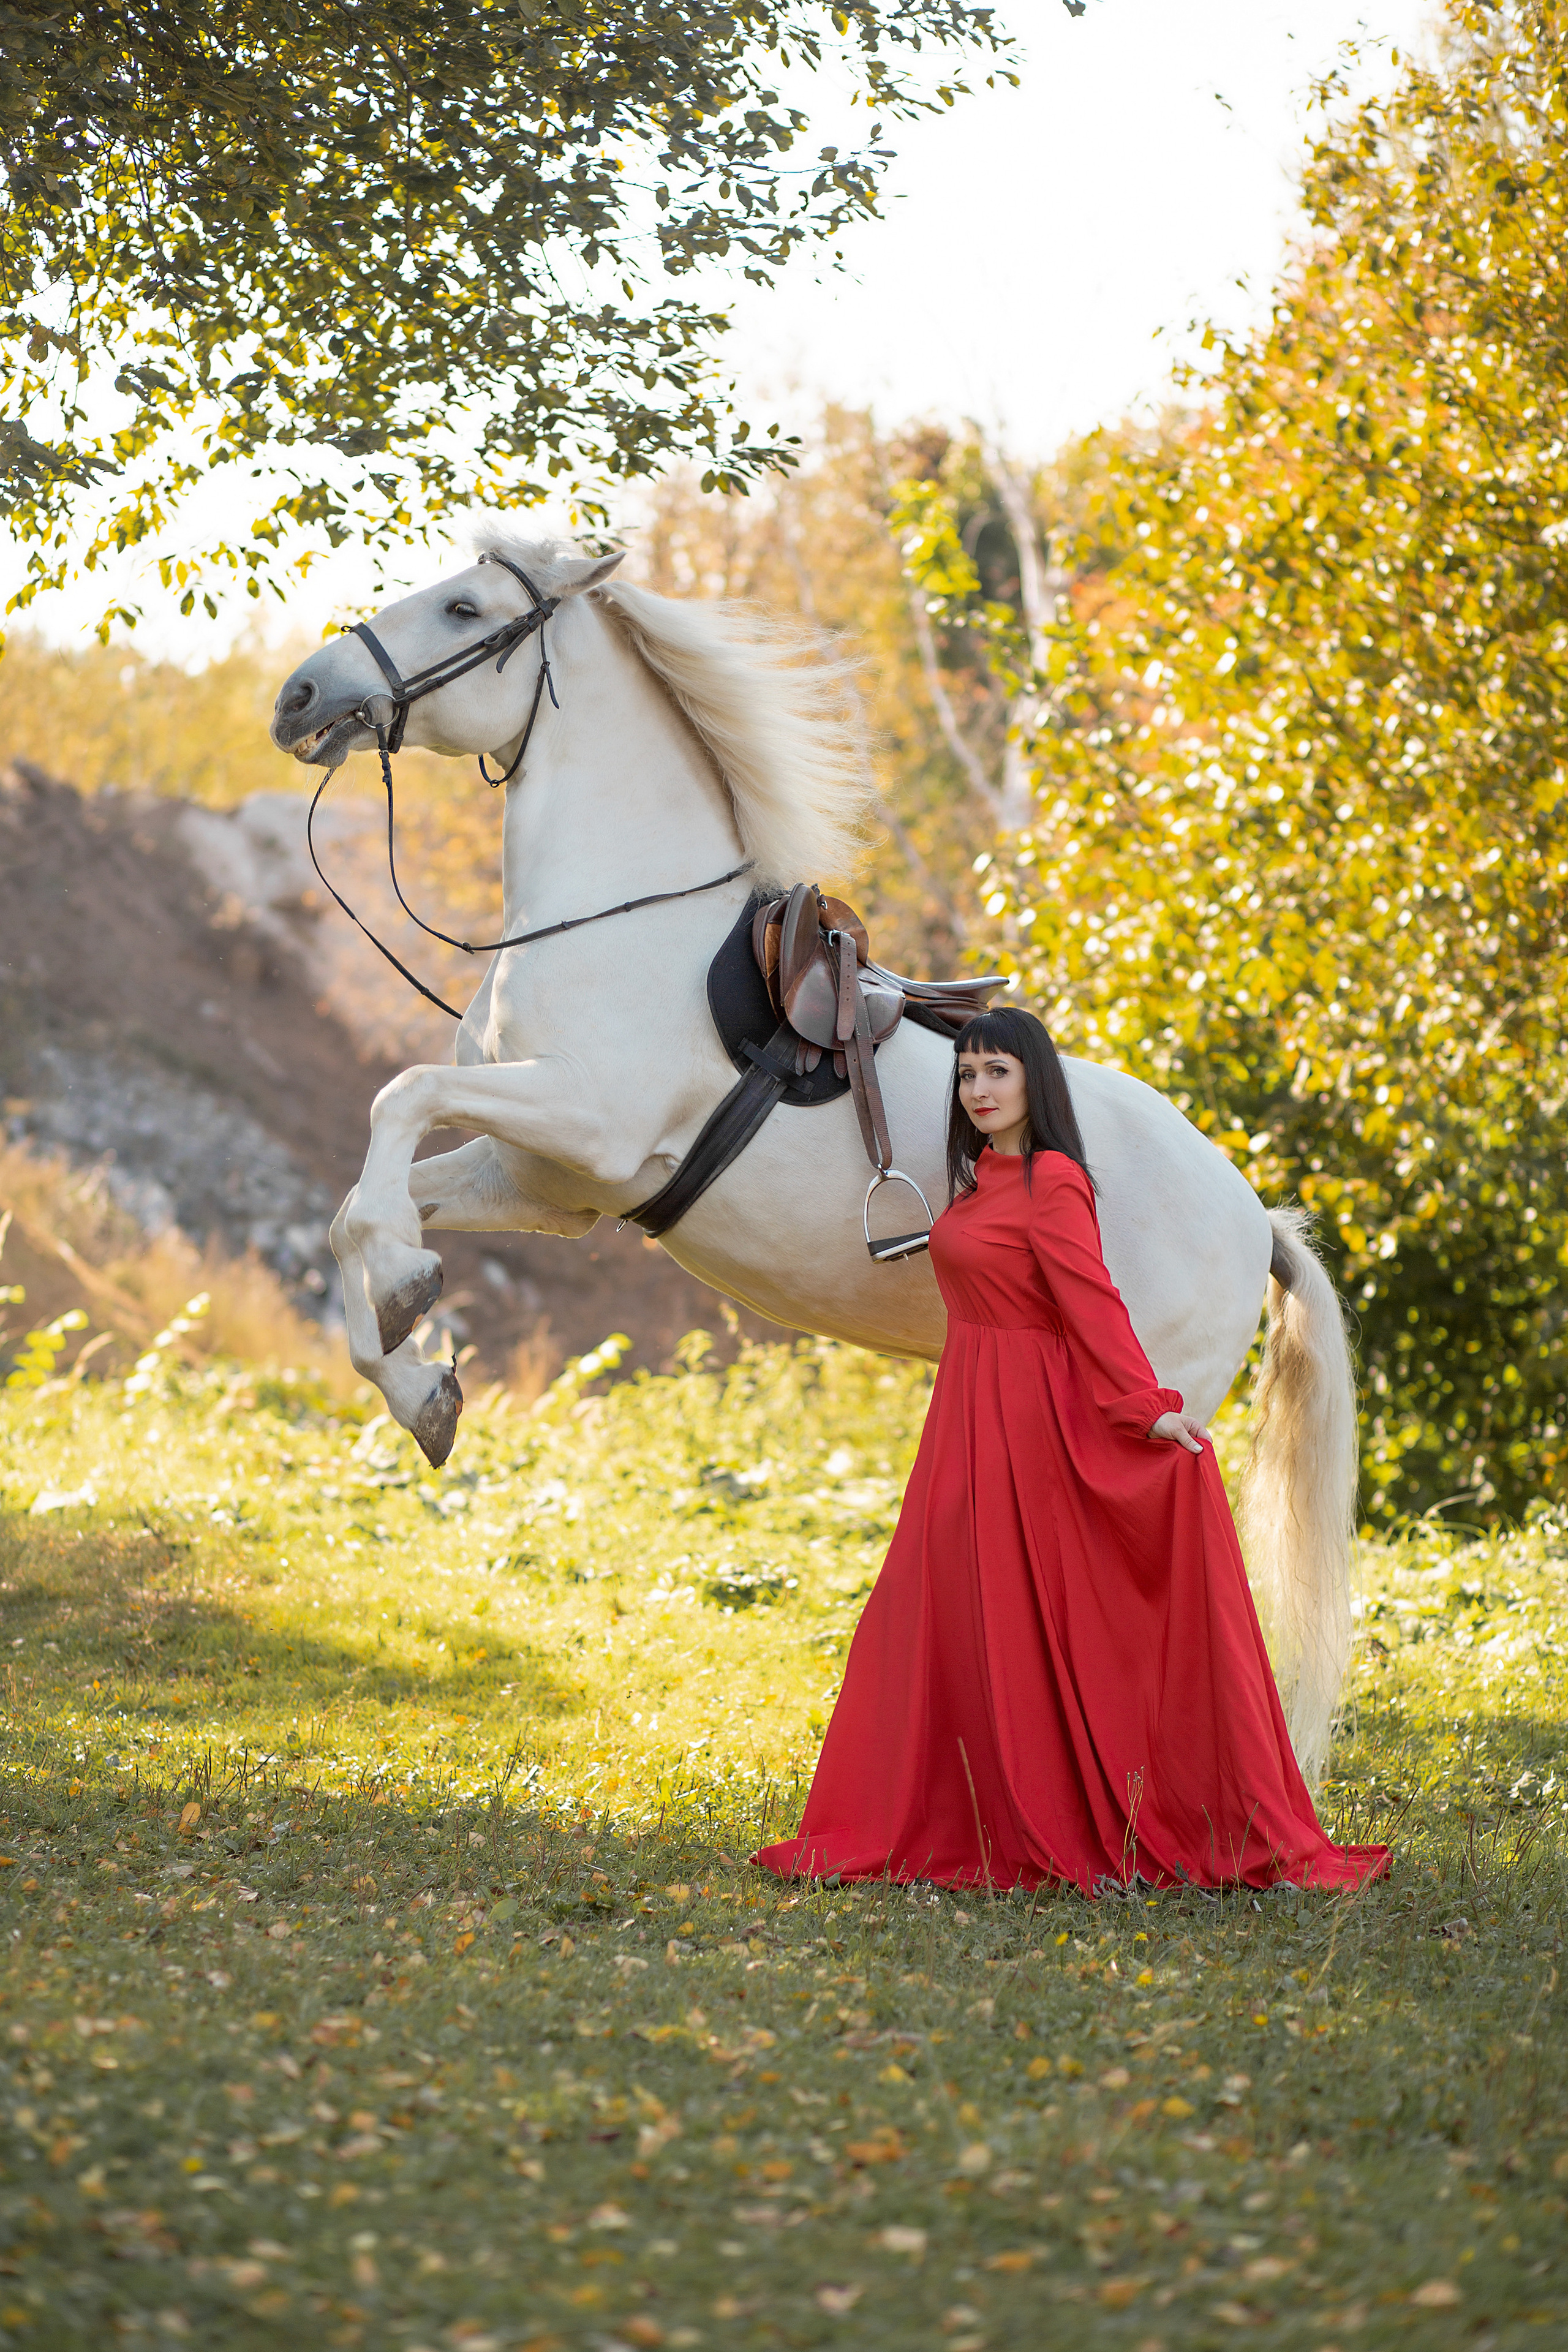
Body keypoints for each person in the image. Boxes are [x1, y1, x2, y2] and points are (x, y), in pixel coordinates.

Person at [753, 1006, 1390, 1894]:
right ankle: (964, 1809)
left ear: (1033, 1084)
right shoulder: (982, 1180)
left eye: (996, 1075)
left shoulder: (1054, 1179)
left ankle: (1072, 1807)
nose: (978, 1090)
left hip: (1032, 1413)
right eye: (968, 1075)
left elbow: (1089, 1299)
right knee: (942, 1600)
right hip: (969, 1411)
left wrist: (1148, 1408)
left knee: (1024, 1603)